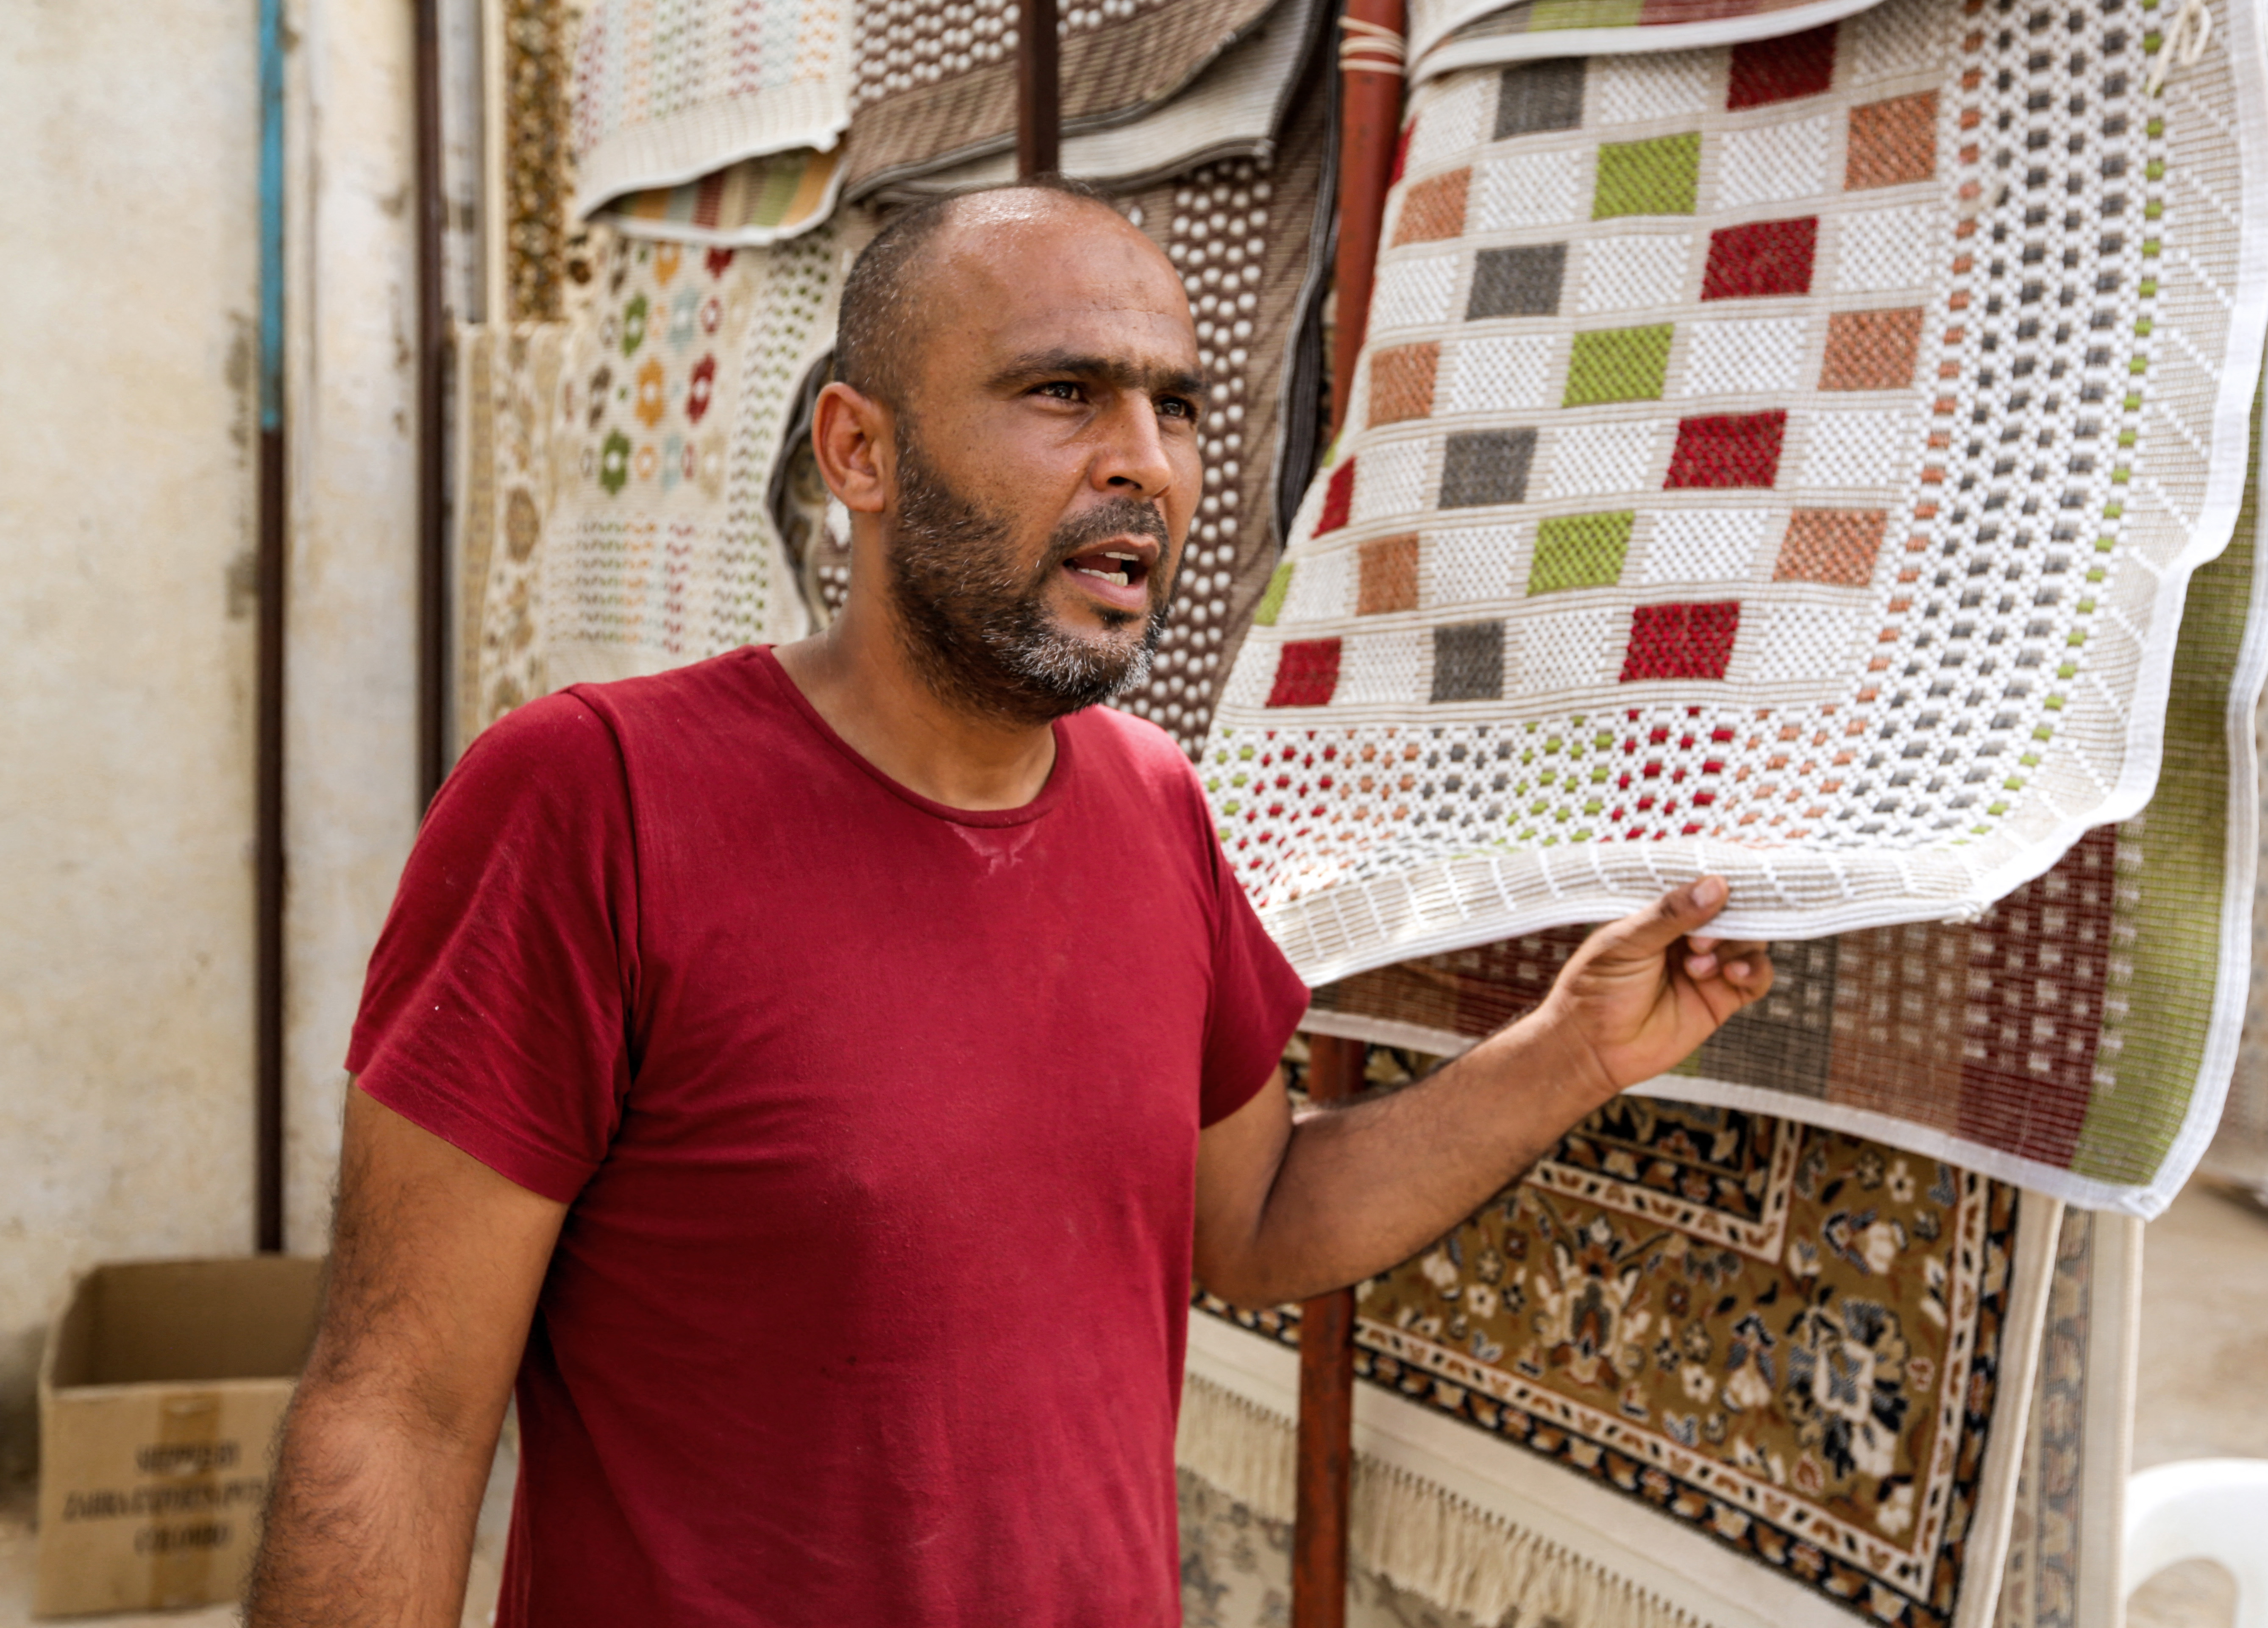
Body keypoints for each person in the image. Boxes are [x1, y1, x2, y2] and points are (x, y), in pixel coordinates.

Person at [243, 179, 1774, 1628]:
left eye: (1174, 406)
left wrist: (1568, 1051)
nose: (1147, 463)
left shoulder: (1156, 806)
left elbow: (1248, 1222)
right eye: (1066, 394)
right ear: (861, 451)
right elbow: (399, 1408)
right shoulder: (596, 800)